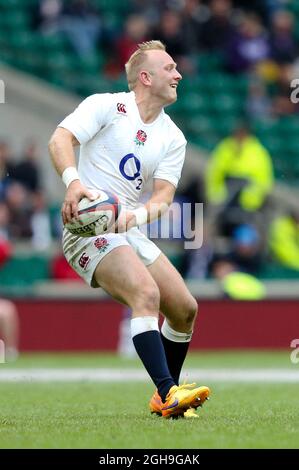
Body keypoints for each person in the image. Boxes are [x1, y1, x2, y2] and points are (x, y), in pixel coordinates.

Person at [48, 40, 210, 419]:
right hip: (87, 229)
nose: (178, 74)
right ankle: (169, 392)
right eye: (169, 68)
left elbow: (163, 197)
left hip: (127, 228)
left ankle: (165, 395)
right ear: (145, 76)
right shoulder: (105, 106)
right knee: (145, 293)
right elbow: (60, 139)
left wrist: (133, 218)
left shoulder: (173, 137)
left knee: (185, 310)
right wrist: (73, 182)